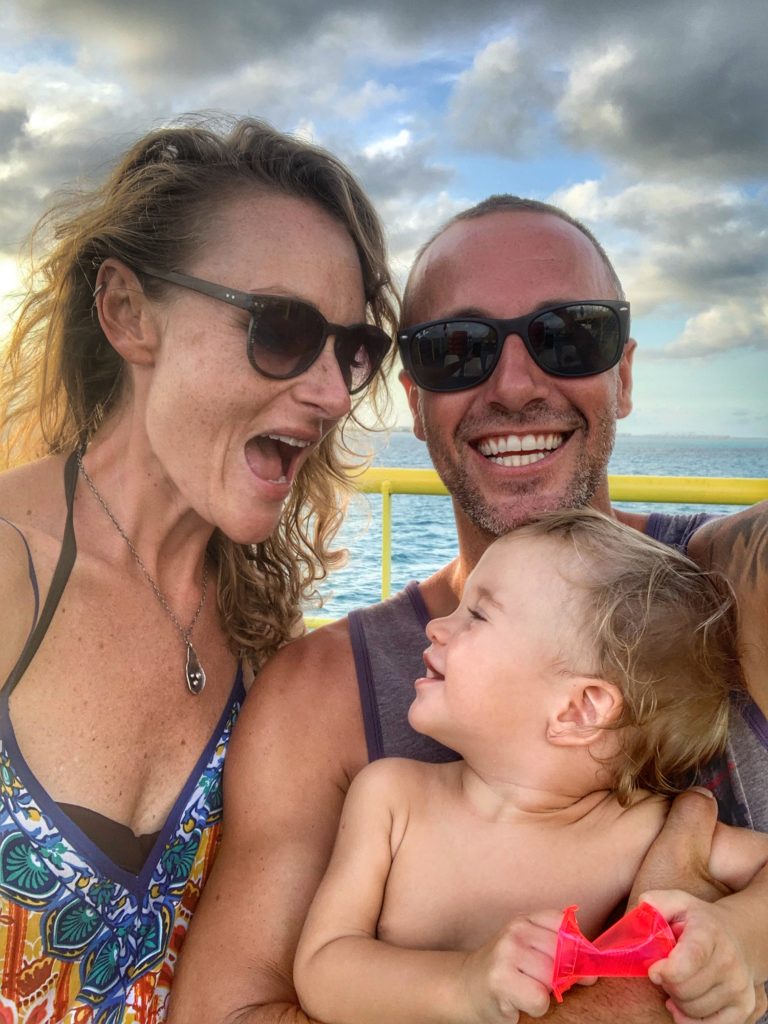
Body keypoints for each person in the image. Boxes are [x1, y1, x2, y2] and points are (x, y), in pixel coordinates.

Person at [169, 196, 768, 1024]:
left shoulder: (732, 588)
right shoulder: (326, 698)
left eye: (569, 334)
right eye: (458, 350)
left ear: (623, 373)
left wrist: (734, 932)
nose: (516, 384)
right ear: (415, 403)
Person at [0, 115, 396, 1023]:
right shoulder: (12, 570)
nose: (334, 392)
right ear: (128, 315)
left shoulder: (264, 638)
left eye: (353, 348)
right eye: (283, 327)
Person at [294, 510, 768, 1024]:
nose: (436, 627)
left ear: (579, 709)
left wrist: (734, 936)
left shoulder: (649, 832)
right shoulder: (389, 798)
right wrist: (464, 985)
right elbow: (322, 969)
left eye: (477, 615)